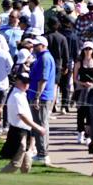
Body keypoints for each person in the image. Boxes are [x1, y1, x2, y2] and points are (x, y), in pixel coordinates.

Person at [0, 73, 46, 174]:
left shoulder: (21, 94)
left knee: (26, 165)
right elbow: (22, 116)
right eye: (24, 83)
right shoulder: (16, 96)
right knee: (16, 164)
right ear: (17, 81)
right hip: (18, 133)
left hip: (26, 131)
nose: (26, 85)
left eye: (28, 83)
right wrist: (38, 128)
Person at [27, 35, 56, 165]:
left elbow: (43, 79)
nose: (34, 47)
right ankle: (41, 152)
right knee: (39, 123)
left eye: (36, 45)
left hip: (42, 97)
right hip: (40, 96)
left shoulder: (44, 58)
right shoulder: (42, 57)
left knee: (40, 124)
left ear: (43, 46)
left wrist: (37, 97)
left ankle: (43, 154)